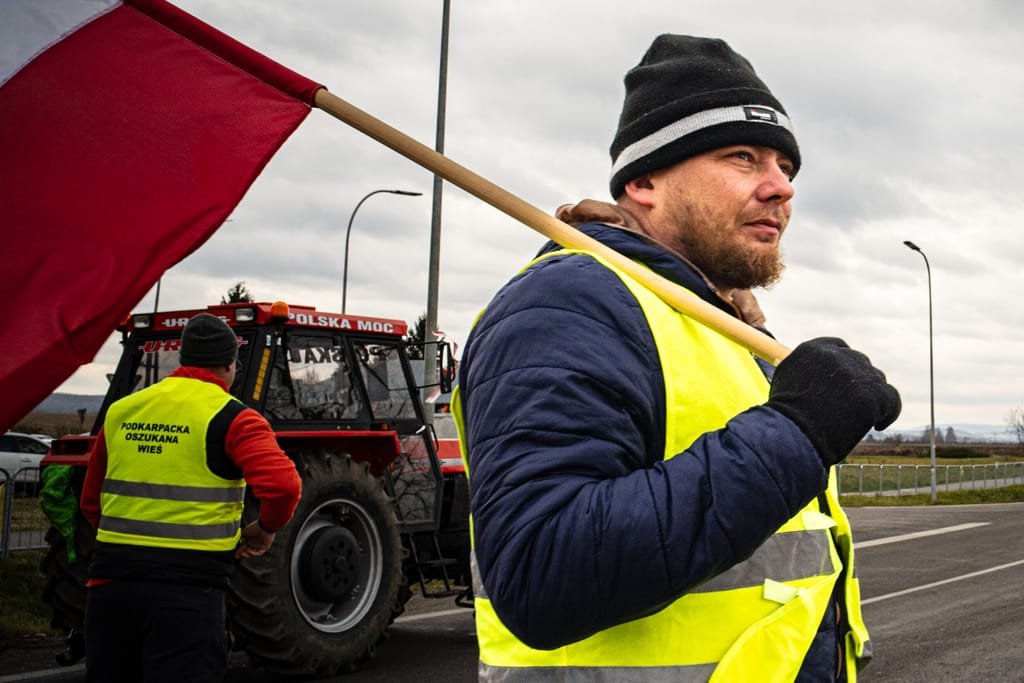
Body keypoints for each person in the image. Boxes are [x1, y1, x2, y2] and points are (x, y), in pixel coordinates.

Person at [453, 35, 901, 682]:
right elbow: (540, 568)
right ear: (643, 181)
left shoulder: (721, 325)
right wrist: (797, 432)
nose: (781, 188)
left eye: (785, 166)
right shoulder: (567, 306)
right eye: (743, 158)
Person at [80, 313, 302, 683]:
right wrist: (265, 529)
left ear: (183, 359)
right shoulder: (234, 418)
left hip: (110, 586)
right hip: (188, 593)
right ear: (230, 364)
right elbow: (283, 487)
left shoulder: (122, 411)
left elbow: (91, 502)